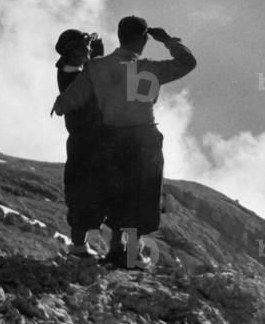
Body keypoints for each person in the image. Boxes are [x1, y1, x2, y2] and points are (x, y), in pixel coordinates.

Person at [51, 16, 196, 269]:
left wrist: (61, 105)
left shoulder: (97, 67)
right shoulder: (148, 69)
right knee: (139, 199)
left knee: (117, 198)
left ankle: (113, 253)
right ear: (143, 39)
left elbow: (72, 97)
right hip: (144, 139)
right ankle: (129, 257)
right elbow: (187, 63)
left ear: (118, 36)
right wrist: (168, 41)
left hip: (112, 139)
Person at [53, 29, 106, 258]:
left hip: (83, 141)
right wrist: (97, 57)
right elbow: (94, 76)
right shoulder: (73, 75)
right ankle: (122, 252)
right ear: (73, 51)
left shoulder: (69, 71)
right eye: (84, 46)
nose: (88, 50)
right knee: (86, 193)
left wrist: (94, 55)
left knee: (82, 193)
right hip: (87, 141)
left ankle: (80, 246)